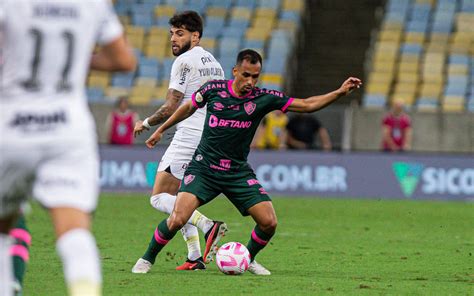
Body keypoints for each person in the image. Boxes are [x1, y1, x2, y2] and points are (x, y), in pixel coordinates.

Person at [144, 49, 362, 275]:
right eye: (246, 75)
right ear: (235, 71)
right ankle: (147, 260)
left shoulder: (263, 98)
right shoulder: (213, 89)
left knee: (269, 222)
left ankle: (247, 259)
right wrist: (160, 129)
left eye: (255, 76)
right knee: (178, 218)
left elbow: (306, 104)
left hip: (237, 172)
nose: (250, 81)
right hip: (204, 168)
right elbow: (189, 107)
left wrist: (339, 92)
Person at [0, 1, 136, 295]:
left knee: (3, 226)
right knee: (74, 229)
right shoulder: (93, 4)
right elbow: (124, 61)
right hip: (67, 129)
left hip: (12, 125)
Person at [131, 11, 227, 273]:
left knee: (159, 197)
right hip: (209, 136)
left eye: (180, 33)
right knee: (178, 197)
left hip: (189, 135)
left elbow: (171, 104)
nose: (173, 39)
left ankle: (208, 226)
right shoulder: (214, 63)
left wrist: (148, 124)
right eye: (172, 33)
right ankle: (195, 256)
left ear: (195, 36)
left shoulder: (185, 61)